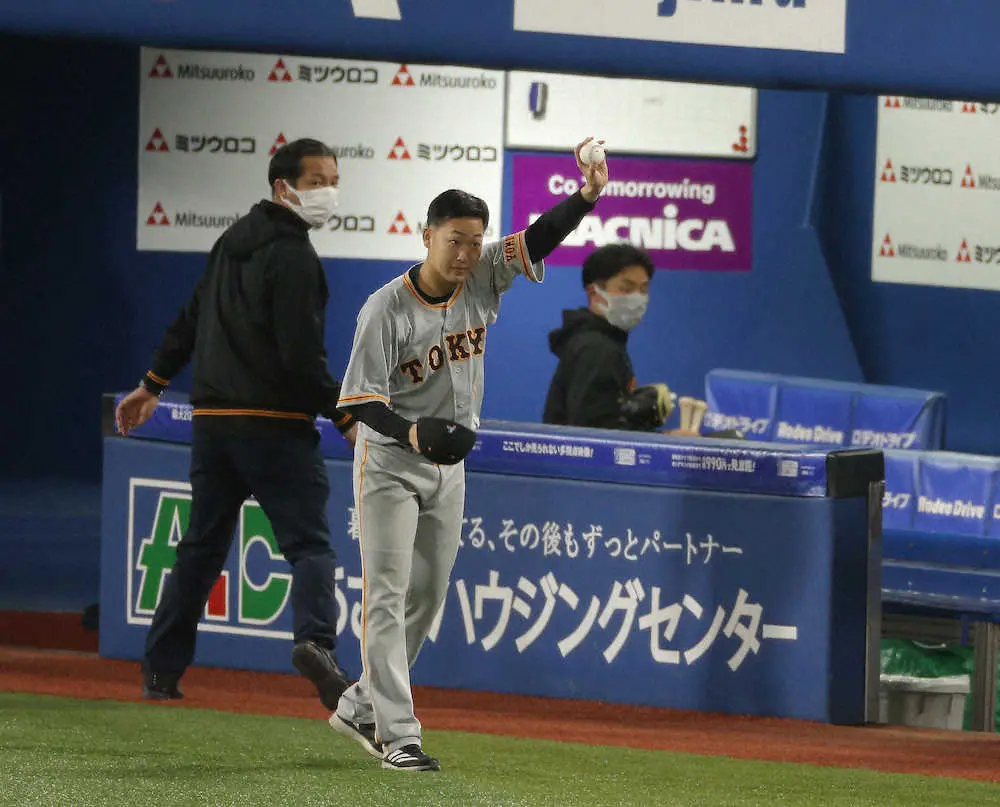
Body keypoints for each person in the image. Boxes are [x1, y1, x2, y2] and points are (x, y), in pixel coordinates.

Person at [329, 139, 608, 772]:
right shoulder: (385, 308)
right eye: (454, 240)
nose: (465, 253)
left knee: (427, 597)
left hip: (449, 464)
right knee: (387, 595)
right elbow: (359, 401)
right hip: (390, 463)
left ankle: (360, 703)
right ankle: (398, 735)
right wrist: (411, 435)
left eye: (474, 241)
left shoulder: (482, 273)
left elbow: (536, 239)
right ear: (426, 235)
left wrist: (587, 195)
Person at [115, 138, 356, 708]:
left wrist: (152, 384)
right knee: (310, 547)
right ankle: (316, 643)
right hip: (275, 426)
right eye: (317, 181)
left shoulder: (229, 243)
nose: (328, 192)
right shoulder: (296, 257)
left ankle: (160, 672)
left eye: (333, 181)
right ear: (283, 187)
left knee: (199, 549)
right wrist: (344, 414)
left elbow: (190, 319)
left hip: (214, 425)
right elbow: (301, 358)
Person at [543, 243, 672, 431]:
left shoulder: (596, 341)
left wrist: (633, 411)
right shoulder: (598, 349)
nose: (637, 298)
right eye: (626, 289)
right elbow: (594, 436)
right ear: (593, 292)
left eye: (643, 289)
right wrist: (669, 440)